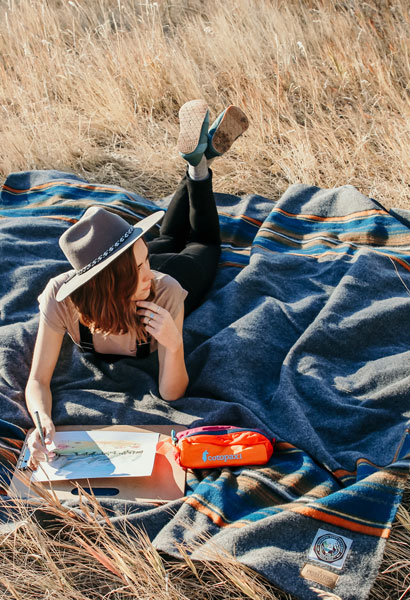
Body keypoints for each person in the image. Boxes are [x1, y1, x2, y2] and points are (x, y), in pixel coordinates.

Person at [24, 99, 249, 466]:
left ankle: (198, 166)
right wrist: (41, 419)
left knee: (200, 243)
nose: (149, 273)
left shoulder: (163, 288)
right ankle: (197, 163)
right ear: (107, 282)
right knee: (166, 236)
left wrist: (174, 346)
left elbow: (171, 393)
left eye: (144, 262)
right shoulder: (59, 298)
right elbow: (37, 381)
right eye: (139, 268)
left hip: (179, 271)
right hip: (128, 266)